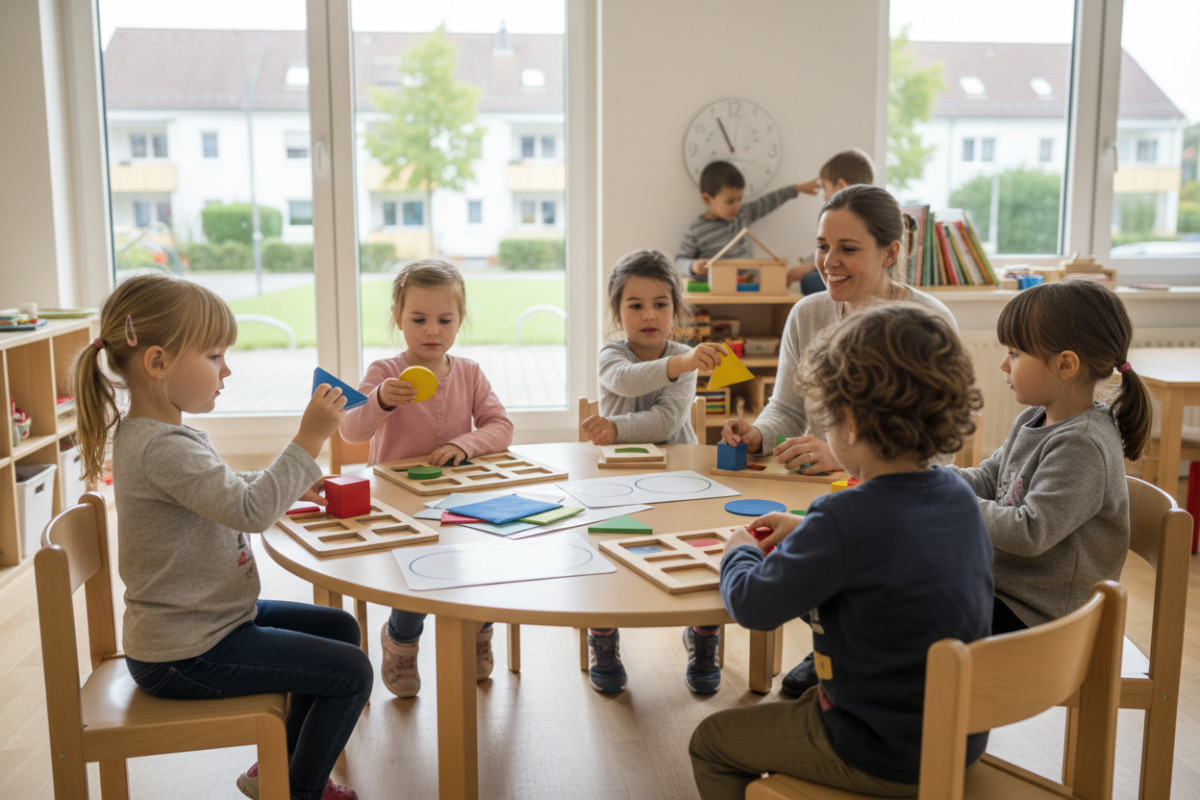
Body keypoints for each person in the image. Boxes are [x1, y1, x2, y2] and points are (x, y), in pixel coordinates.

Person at [72, 273, 371, 800]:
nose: (226, 369)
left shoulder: (162, 437)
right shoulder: (162, 447)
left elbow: (224, 491)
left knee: (341, 629)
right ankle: (297, 790)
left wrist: (290, 482)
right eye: (214, 356)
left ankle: (276, 769)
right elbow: (250, 511)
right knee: (351, 672)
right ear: (158, 362)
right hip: (187, 654)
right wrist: (309, 439)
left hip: (208, 624)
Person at [690, 304, 992, 799]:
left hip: (880, 747)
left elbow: (753, 606)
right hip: (958, 736)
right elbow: (891, 544)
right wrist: (808, 528)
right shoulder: (958, 495)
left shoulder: (843, 518)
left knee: (710, 742)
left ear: (848, 424)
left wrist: (738, 550)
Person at [720, 183, 959, 697]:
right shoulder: (808, 314)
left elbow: (941, 447)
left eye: (847, 248)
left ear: (890, 253)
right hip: (823, 492)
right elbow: (787, 409)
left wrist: (847, 454)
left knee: (817, 565)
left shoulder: (929, 322)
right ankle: (837, 644)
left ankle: (844, 652)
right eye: (822, 246)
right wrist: (757, 433)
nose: (829, 261)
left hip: (893, 498)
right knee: (793, 551)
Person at [340, 258, 514, 697]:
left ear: (460, 320)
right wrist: (380, 400)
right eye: (418, 319)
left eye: (444, 320)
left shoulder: (469, 372)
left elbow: (501, 426)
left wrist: (466, 443)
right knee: (416, 574)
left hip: (461, 498)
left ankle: (479, 629)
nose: (432, 331)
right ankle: (401, 639)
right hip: (399, 502)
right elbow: (350, 430)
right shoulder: (384, 372)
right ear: (398, 318)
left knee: (481, 564)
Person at [950, 279, 1152, 634]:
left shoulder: (1082, 444)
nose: (1004, 364)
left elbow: (1030, 531)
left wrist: (950, 502)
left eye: (1015, 353)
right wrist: (931, 477)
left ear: (1066, 364)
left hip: (1048, 620)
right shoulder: (1033, 418)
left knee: (918, 613)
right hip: (1008, 594)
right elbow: (989, 478)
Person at [579, 248, 727, 694]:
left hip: (680, 478)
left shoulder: (685, 356)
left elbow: (665, 423)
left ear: (675, 310)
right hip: (617, 478)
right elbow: (626, 380)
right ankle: (603, 636)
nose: (649, 315)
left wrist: (616, 427)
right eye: (635, 305)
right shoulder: (612, 353)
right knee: (604, 554)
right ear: (617, 312)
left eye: (660, 304)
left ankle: (703, 634)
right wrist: (682, 363)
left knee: (705, 551)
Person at [675, 160, 819, 282]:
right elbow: (679, 262)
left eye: (740, 199)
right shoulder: (695, 230)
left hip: (748, 286)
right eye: (730, 201)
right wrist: (692, 266)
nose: (737, 206)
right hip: (715, 291)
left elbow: (768, 201)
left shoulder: (742, 215)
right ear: (707, 199)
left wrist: (797, 188)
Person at [789, 148, 877, 295]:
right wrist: (810, 264)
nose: (825, 196)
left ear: (841, 186)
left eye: (826, 188)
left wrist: (809, 267)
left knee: (808, 282)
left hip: (858, 277)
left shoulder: (852, 218)